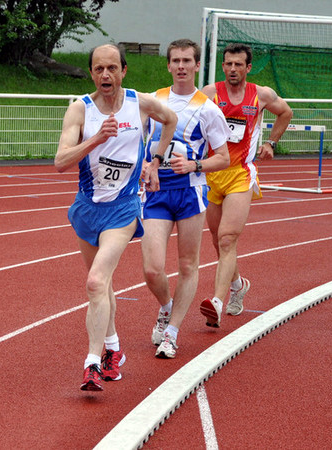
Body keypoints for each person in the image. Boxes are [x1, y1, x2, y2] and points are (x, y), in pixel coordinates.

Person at [55, 44, 177, 391]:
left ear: (124, 70)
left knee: (95, 281)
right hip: (86, 209)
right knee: (102, 285)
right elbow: (61, 162)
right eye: (98, 69)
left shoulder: (140, 104)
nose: (105, 75)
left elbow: (171, 119)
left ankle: (92, 363)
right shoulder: (81, 109)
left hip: (122, 211)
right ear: (91, 73)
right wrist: (96, 139)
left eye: (112, 68)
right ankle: (113, 349)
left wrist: (155, 161)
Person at [141, 39, 230, 359]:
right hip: (157, 193)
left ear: (196, 66)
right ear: (168, 65)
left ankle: (173, 332)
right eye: (175, 60)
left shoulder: (208, 108)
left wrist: (195, 165)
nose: (181, 66)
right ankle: (166, 307)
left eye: (187, 61)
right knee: (152, 269)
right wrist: (144, 166)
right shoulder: (153, 100)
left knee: (187, 265)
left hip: (191, 193)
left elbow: (223, 157)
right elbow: (140, 142)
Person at [199, 43, 293, 327]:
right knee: (217, 240)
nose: (232, 69)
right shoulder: (209, 93)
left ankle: (216, 301)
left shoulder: (262, 95)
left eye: (238, 64)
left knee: (228, 239)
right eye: (228, 64)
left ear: (248, 67)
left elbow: (285, 112)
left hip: (240, 173)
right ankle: (238, 284)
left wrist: (271, 142)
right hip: (211, 173)